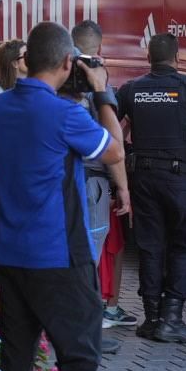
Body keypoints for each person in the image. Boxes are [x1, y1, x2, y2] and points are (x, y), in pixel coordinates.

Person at [0, 21, 124, 371]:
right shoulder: (65, 114)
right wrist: (103, 95)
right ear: (68, 63)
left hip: (9, 253)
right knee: (81, 359)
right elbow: (114, 150)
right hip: (58, 257)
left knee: (17, 363)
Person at [117, 33, 186, 346]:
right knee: (185, 245)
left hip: (143, 180)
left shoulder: (131, 89)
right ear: (177, 59)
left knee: (151, 247)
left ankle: (151, 319)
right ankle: (171, 319)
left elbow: (110, 128)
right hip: (179, 181)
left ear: (149, 59)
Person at [70, 21, 134, 332]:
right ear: (100, 48)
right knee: (91, 253)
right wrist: (123, 188)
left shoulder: (58, 75)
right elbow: (114, 144)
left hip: (61, 179)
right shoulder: (98, 81)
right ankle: (85, 324)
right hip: (92, 180)